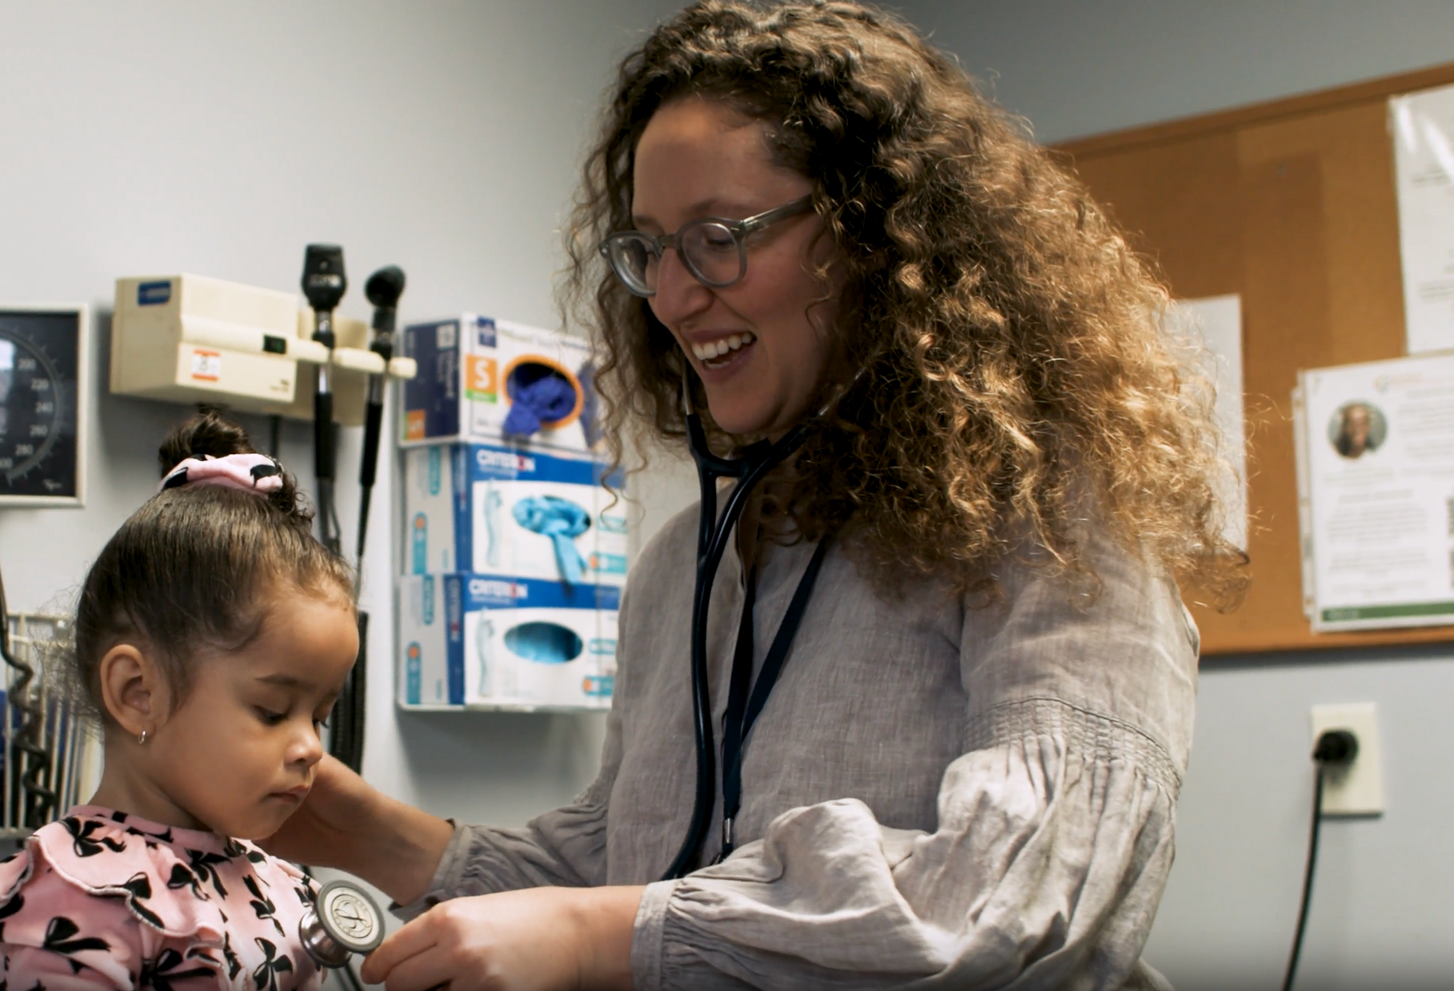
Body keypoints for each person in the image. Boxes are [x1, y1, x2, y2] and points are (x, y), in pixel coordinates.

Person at [259, 2, 1246, 989]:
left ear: (874, 236)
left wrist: (593, 935)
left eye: (718, 237)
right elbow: (632, 867)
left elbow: (1017, 894)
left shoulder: (1047, 524)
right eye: (649, 249)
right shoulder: (687, 563)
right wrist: (355, 827)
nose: (677, 297)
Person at [0, 411, 357, 991]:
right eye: (272, 712)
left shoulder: (282, 888)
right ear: (137, 693)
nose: (309, 748)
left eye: (320, 717)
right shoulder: (70, 900)